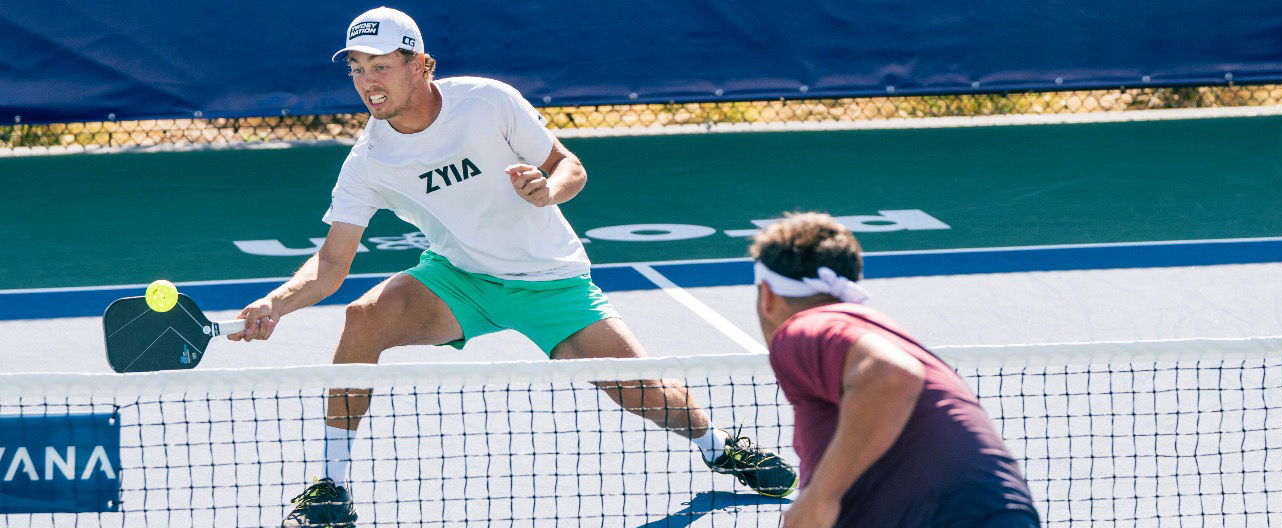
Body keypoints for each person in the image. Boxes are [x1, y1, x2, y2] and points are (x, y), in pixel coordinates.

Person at [226, 6, 797, 527]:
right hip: (459, 279)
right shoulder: (370, 160)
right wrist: (275, 304)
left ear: (421, 64)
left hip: (550, 281)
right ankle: (331, 485)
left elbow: (568, 164)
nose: (367, 82)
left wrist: (548, 191)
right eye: (356, 68)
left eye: (381, 66)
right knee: (364, 316)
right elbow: (330, 264)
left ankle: (719, 446)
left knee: (641, 391)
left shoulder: (487, 101)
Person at [750, 213, 1040, 528]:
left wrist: (819, 498)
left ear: (767, 294)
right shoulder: (868, 328)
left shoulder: (806, 328)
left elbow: (890, 374)